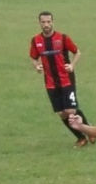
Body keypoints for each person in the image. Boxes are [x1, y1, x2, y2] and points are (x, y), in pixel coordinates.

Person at [29, 11, 92, 147]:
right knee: (61, 113)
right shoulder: (36, 40)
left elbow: (77, 52)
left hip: (66, 80)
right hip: (51, 82)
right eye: (43, 22)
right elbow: (33, 57)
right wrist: (37, 66)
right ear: (39, 23)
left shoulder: (62, 38)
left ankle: (90, 131)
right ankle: (81, 138)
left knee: (71, 111)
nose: (46, 24)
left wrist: (72, 65)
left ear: (53, 22)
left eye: (48, 22)